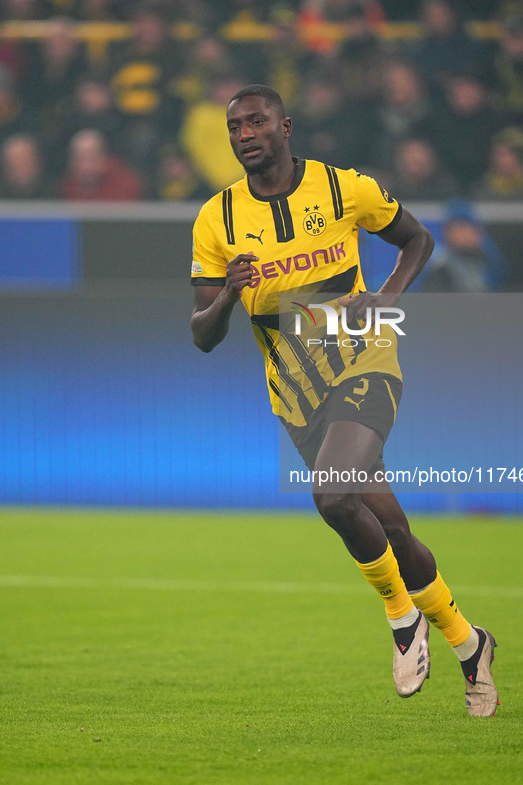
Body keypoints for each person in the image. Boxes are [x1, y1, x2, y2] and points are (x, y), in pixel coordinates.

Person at [190, 84, 499, 717]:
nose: (244, 134)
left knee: (332, 493)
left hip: (364, 361)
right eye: (234, 128)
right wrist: (227, 293)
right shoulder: (215, 220)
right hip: (295, 391)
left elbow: (417, 240)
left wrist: (388, 297)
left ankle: (400, 618)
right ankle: (471, 644)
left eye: (256, 122)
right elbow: (202, 334)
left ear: (286, 126)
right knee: (386, 525)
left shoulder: (343, 189)